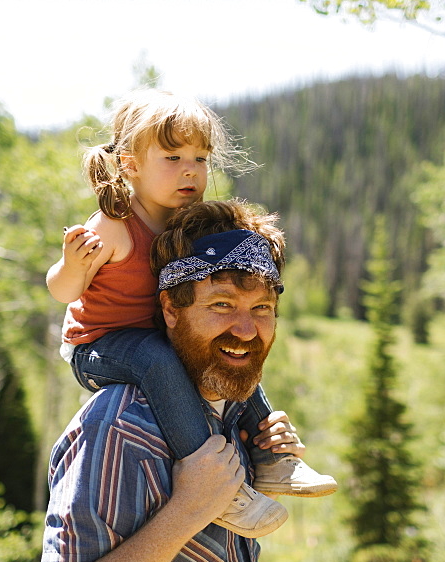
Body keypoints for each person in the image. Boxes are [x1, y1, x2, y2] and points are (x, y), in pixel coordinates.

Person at [45, 89, 335, 538]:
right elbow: (62, 291)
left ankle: (272, 457)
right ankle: (219, 488)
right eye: (173, 156)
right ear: (130, 165)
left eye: (200, 159)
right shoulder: (115, 224)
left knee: (229, 351)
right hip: (99, 345)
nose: (190, 170)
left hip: (157, 333)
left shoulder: (188, 223)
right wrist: (72, 266)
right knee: (156, 359)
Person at [37, 199, 308, 562]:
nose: (246, 329)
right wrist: (187, 511)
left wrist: (267, 452)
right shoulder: (120, 426)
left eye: (262, 308)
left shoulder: (227, 417)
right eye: (222, 304)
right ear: (170, 309)